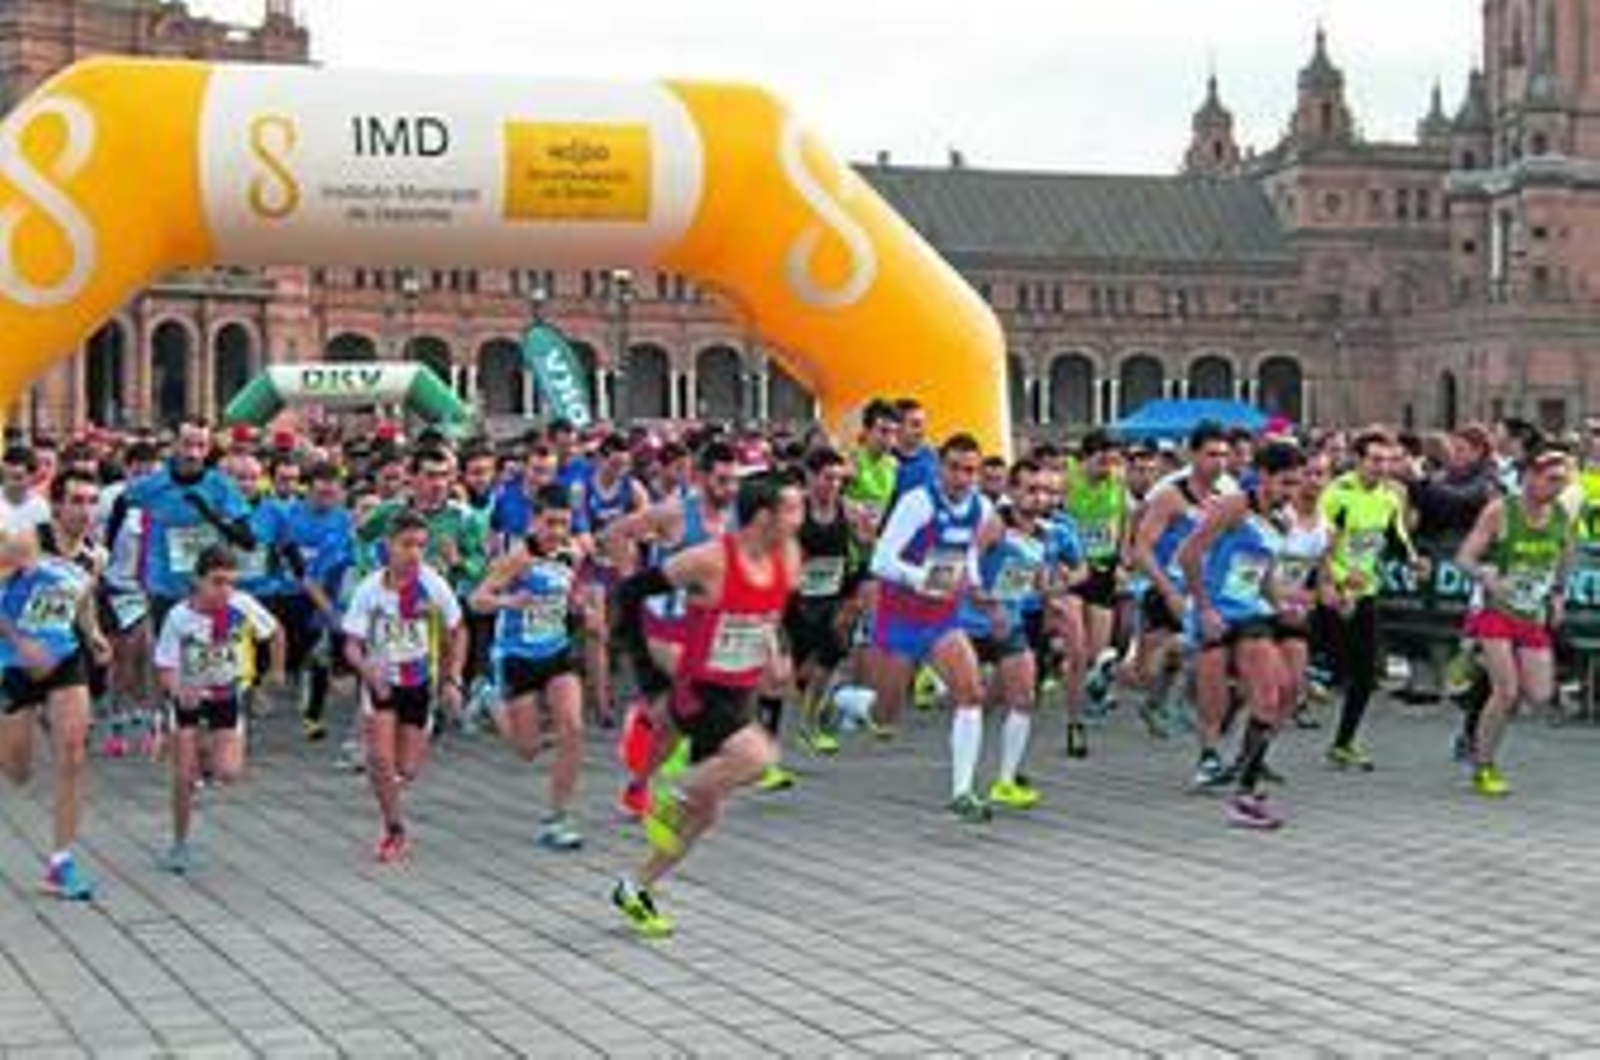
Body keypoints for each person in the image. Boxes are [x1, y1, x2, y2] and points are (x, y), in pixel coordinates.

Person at [610, 470, 802, 938]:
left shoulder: (789, 558)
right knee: (758, 758)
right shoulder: (709, 560)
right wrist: (653, 671)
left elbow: (769, 615)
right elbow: (631, 593)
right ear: (763, 517)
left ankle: (634, 887)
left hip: (740, 692)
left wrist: (777, 657)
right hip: (698, 689)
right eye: (790, 510)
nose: (798, 520)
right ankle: (668, 792)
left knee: (706, 812)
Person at [869, 433, 1004, 821]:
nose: (963, 478)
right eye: (956, 469)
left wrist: (978, 590)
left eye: (972, 471)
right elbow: (881, 560)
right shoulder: (918, 503)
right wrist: (923, 578)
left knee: (970, 692)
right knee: (885, 716)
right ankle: (848, 705)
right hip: (900, 614)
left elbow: (969, 556)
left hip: (941, 616)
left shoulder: (981, 506)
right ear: (940, 468)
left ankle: (962, 792)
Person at [1178, 440, 1306, 829]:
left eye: (1295, 484)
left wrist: (1279, 601)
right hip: (1219, 613)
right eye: (1285, 483)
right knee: (1246, 699)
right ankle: (1242, 792)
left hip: (1250, 612)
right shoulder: (1234, 507)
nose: (1290, 492)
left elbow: (1261, 569)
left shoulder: (1282, 517)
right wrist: (1203, 607)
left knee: (1281, 693)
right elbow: (1189, 554)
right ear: (1263, 476)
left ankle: (1245, 786)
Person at [343, 511, 467, 862]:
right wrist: (368, 669)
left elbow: (458, 631)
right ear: (389, 546)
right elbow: (351, 644)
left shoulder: (433, 585)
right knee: (381, 758)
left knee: (406, 769)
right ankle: (394, 829)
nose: (414, 554)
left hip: (418, 684)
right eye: (406, 545)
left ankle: (388, 787)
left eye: (421, 546)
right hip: (382, 684)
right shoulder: (370, 589)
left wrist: (453, 678)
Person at [152, 546, 285, 873]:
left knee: (229, 773)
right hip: (189, 700)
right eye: (217, 582)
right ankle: (180, 843)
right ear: (198, 580)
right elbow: (164, 666)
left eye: (230, 582)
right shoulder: (179, 616)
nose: (224, 590)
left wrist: (275, 671)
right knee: (183, 777)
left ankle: (205, 758)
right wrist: (178, 690)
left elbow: (276, 632)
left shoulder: (242, 605)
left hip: (227, 697)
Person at [470, 485, 587, 850]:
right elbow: (477, 600)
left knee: (572, 727)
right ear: (534, 520)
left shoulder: (572, 552)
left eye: (563, 524)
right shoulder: (517, 558)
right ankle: (489, 697)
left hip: (556, 652)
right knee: (528, 750)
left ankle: (558, 818)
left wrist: (578, 606)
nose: (556, 532)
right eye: (549, 523)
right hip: (516, 657)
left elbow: (566, 592)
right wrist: (510, 601)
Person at [1454, 446, 1575, 797]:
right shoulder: (1500, 512)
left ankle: (1477, 672)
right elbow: (1463, 557)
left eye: (1563, 482)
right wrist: (1485, 576)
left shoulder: (1560, 516)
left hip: (1531, 614)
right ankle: (1484, 766)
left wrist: (1558, 595)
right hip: (1495, 611)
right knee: (1506, 692)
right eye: (1552, 480)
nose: (1557, 488)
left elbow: (1565, 558)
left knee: (1539, 694)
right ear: (1530, 477)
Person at [0, 527, 111, 899]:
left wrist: (93, 633)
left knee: (74, 754)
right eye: (76, 500)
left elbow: (82, 597)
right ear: (57, 509)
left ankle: (60, 863)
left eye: (91, 500)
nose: (85, 509)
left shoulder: (95, 556)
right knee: (17, 771)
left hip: (64, 658)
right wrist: (20, 642)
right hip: (14, 663)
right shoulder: (20, 542)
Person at [1129, 422, 1232, 786]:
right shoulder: (1171, 496)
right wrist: (1167, 589)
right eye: (1211, 454)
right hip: (1166, 587)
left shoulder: (1224, 497)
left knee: (1192, 653)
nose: (1219, 462)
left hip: (1200, 592)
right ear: (1192, 455)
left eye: (1224, 455)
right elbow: (1140, 548)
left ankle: (1202, 743)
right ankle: (1109, 674)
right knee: (1147, 671)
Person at [1321, 430, 1422, 771]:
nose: (1382, 467)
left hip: (1365, 593)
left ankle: (1343, 743)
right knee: (1322, 664)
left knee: (1365, 675)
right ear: (1357, 459)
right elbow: (1320, 547)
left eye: (1388, 460)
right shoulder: (1337, 495)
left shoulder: (1389, 497)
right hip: (1330, 593)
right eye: (1375, 460)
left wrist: (1414, 560)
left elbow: (1396, 538)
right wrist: (1336, 581)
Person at [109, 421, 257, 633]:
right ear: (175, 445)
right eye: (187, 444)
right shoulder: (153, 484)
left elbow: (248, 541)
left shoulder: (221, 486)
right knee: (168, 659)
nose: (193, 454)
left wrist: (212, 516)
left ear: (208, 448)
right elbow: (121, 502)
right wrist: (108, 547)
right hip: (164, 590)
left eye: (201, 446)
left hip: (209, 591)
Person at [785, 447, 866, 756]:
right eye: (826, 478)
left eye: (837, 478)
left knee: (831, 654)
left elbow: (865, 549)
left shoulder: (848, 509)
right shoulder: (795, 511)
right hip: (797, 597)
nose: (833, 485)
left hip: (834, 593)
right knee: (798, 670)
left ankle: (810, 724)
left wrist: (865, 538)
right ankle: (818, 706)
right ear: (809, 477)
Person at [1063, 430, 1127, 756]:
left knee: (1096, 655)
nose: (1108, 467)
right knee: (1076, 650)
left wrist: (1122, 561)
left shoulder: (1118, 482)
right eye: (1103, 460)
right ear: (1085, 457)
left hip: (1103, 570)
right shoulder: (1066, 481)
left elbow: (1124, 522)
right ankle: (1075, 724)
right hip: (1073, 572)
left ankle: (1091, 693)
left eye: (1114, 460)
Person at [0, 445, 50, 534]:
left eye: (19, 477)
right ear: (3, 468)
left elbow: (45, 544)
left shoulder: (40, 507)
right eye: (13, 464)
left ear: (33, 476)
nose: (18, 470)